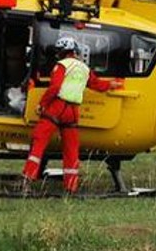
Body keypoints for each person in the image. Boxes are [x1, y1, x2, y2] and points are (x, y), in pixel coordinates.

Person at [21, 36, 122, 194]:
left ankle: (27, 179)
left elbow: (54, 88)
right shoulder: (84, 68)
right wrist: (111, 85)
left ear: (61, 53)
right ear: (75, 51)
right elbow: (96, 84)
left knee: (39, 140)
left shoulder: (61, 66)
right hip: (73, 111)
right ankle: (71, 186)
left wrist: (42, 104)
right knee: (71, 149)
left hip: (57, 107)